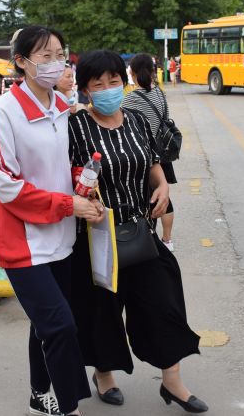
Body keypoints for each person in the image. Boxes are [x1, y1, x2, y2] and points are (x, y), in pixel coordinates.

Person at [69, 50, 207, 414]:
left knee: (164, 303)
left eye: (114, 81)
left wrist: (163, 187)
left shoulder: (135, 120)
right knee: (104, 311)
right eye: (97, 84)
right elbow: (65, 179)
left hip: (142, 232)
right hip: (98, 237)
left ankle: (172, 381)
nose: (107, 89)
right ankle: (104, 374)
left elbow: (153, 163)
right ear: (85, 90)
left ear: (123, 82)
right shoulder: (75, 127)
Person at [0, 26, 103, 416]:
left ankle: (38, 393)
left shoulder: (61, 108)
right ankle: (67, 405)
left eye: (60, 54)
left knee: (44, 324)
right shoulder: (2, 112)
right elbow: (6, 186)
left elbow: (57, 165)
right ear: (21, 62)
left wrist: (84, 182)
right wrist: (68, 205)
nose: (55, 63)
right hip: (21, 241)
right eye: (44, 56)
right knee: (61, 325)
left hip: (61, 236)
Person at [123, 53, 177, 252]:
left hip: (143, 156)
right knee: (165, 197)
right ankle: (168, 240)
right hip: (162, 154)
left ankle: (148, 238)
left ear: (132, 72)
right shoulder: (160, 93)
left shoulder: (131, 99)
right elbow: (166, 119)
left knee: (146, 198)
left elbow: (123, 125)